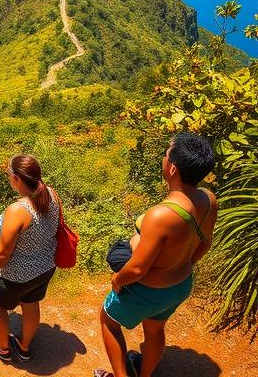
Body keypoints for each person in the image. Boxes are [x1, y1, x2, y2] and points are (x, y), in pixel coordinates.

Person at [95, 133, 218, 377]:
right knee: (154, 329)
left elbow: (138, 269)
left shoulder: (161, 215)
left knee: (108, 321)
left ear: (172, 168)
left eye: (165, 155)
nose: (163, 159)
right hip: (180, 284)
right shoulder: (208, 199)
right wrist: (183, 264)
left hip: (147, 289)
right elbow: (205, 243)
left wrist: (117, 281)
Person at [0, 155, 60, 363]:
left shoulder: (18, 210)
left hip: (18, 275)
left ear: (15, 178)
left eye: (8, 176)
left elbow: (3, 253)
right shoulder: (51, 193)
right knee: (30, 303)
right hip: (45, 267)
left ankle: (3, 348)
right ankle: (23, 347)